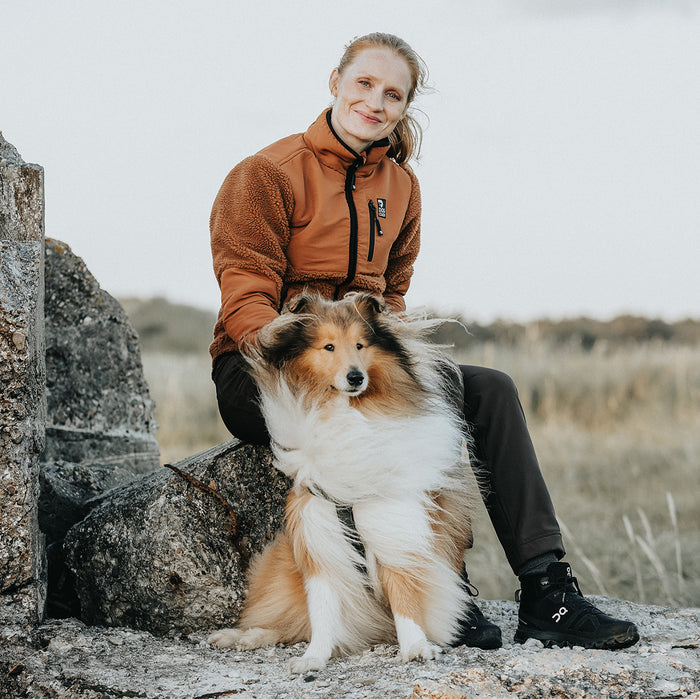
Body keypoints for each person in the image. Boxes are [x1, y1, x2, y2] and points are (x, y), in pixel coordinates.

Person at [208, 32, 639, 651]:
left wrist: (395, 363)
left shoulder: (401, 188)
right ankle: (448, 586)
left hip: (359, 362)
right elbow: (245, 298)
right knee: (401, 420)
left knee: (486, 390)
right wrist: (306, 354)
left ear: (405, 107)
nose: (375, 102)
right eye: (364, 84)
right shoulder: (264, 174)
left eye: (393, 94)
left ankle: (548, 591)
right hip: (266, 370)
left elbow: (392, 300)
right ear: (335, 81)